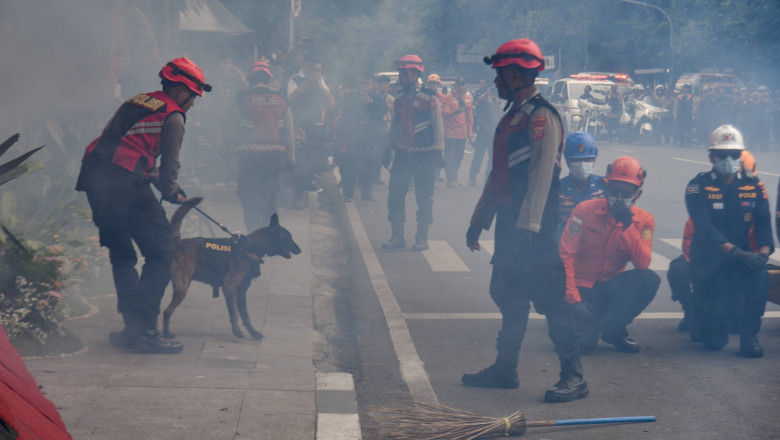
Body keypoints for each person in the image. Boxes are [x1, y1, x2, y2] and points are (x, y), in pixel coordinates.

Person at [464, 39, 587, 403]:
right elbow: (497, 173)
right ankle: (505, 369)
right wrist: (480, 219)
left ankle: (574, 376)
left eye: (500, 74)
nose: (496, 81)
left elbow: (541, 174)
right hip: (510, 223)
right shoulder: (512, 115)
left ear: (517, 74)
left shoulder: (541, 115)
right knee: (509, 295)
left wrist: (530, 229)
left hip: (533, 227)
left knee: (551, 300)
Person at [75, 57, 212, 354]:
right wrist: (171, 190)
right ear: (180, 91)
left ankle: (131, 329)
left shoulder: (138, 100)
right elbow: (170, 164)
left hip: (96, 179)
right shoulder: (173, 116)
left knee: (122, 254)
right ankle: (146, 330)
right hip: (125, 186)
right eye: (193, 97)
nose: (193, 104)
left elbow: (122, 144)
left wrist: (158, 181)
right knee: (162, 252)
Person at [685, 125, 774, 357]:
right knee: (713, 341)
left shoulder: (754, 186)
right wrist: (737, 253)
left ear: (741, 156)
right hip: (708, 262)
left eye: (734, 154)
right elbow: (705, 229)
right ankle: (700, 316)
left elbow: (764, 225)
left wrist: (762, 256)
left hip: (740, 260)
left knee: (760, 276)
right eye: (722, 154)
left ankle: (749, 337)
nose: (729, 159)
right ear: (712, 156)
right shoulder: (697, 186)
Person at [559, 156, 659, 354]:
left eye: (626, 193)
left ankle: (613, 329)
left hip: (611, 288)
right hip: (582, 287)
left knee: (649, 279)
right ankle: (589, 323)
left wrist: (628, 226)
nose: (619, 198)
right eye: (614, 191)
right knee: (584, 346)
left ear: (637, 194)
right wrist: (573, 299)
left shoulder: (644, 220)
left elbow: (642, 264)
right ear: (606, 189)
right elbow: (565, 254)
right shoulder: (584, 210)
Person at [667, 150, 758, 333]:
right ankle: (692, 309)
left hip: (736, 266)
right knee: (678, 269)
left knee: (736, 323)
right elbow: (690, 248)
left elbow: (756, 248)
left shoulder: (753, 208)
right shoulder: (706, 206)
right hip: (708, 263)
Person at [381, 55, 444, 251]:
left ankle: (421, 237)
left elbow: (438, 125)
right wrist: (387, 149)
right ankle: (397, 237)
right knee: (395, 196)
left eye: (405, 72)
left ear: (416, 73)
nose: (401, 76)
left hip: (424, 156)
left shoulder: (429, 96)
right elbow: (394, 126)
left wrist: (438, 152)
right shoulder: (398, 98)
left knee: (424, 198)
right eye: (400, 72)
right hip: (403, 155)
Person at [234, 59, 295, 232]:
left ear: (250, 79)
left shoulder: (242, 98)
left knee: (248, 196)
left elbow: (231, 125)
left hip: (248, 157)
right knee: (269, 198)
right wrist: (291, 160)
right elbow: (289, 130)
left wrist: (224, 151)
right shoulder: (281, 98)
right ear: (269, 79)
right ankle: (271, 237)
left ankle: (254, 236)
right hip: (274, 158)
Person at [287, 58, 335, 207]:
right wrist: (307, 82)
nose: (311, 69)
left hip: (316, 125)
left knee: (316, 160)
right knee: (301, 162)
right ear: (303, 66)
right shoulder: (294, 79)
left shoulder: (319, 80)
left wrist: (318, 82)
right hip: (299, 126)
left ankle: (309, 187)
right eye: (308, 65)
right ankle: (298, 197)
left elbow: (328, 96)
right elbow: (292, 97)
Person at [557, 131, 606, 240]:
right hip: (564, 245)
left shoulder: (604, 186)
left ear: (594, 159)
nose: (582, 164)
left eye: (587, 159)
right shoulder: (558, 188)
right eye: (576, 160)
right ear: (568, 160)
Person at [440, 76, 474, 187]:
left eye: (464, 85)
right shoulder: (448, 98)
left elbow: (470, 118)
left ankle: (454, 177)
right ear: (456, 86)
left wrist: (470, 133)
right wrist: (455, 112)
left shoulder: (468, 98)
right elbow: (444, 113)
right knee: (449, 156)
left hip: (462, 134)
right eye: (460, 85)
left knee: (459, 157)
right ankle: (451, 179)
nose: (462, 87)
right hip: (450, 133)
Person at [469, 79, 501, 186]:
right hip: (484, 131)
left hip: (494, 133)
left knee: (492, 158)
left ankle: (488, 178)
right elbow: (477, 102)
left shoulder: (500, 101)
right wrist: (487, 93)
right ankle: (472, 176)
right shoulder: (485, 98)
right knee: (479, 156)